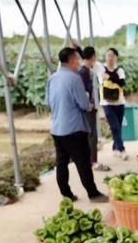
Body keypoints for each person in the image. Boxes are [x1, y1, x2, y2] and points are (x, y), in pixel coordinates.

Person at [45, 47, 107, 202]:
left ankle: (66, 195)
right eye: (77, 59)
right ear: (72, 60)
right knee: (83, 162)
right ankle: (93, 193)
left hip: (57, 128)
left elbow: (47, 102)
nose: (78, 62)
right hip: (74, 128)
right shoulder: (74, 78)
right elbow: (84, 104)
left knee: (62, 162)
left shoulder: (52, 78)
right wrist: (89, 103)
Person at [77, 46, 110, 172]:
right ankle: (92, 162)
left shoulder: (85, 70)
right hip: (87, 109)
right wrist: (88, 105)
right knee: (92, 135)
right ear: (94, 57)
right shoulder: (84, 72)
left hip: (87, 108)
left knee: (88, 135)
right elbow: (84, 92)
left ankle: (88, 160)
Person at [99, 47, 128, 160]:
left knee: (118, 127)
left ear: (116, 58)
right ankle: (121, 149)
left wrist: (110, 77)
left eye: (112, 56)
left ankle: (115, 148)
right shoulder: (101, 69)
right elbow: (88, 59)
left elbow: (122, 83)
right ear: (105, 57)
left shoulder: (120, 70)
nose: (110, 58)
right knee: (114, 126)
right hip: (106, 103)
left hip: (119, 102)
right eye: (108, 55)